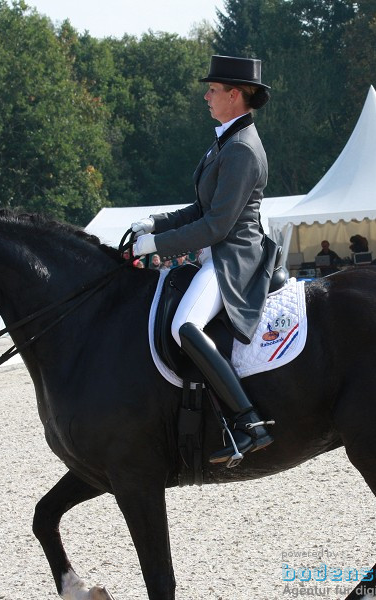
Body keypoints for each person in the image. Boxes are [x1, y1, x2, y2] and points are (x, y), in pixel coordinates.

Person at [130, 54, 275, 464]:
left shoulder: (243, 150)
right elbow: (199, 209)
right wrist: (154, 224)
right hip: (216, 251)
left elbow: (216, 226)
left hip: (233, 258)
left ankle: (249, 422)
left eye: (212, 90)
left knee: (184, 325)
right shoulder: (225, 142)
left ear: (236, 94)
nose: (206, 96)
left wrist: (156, 247)